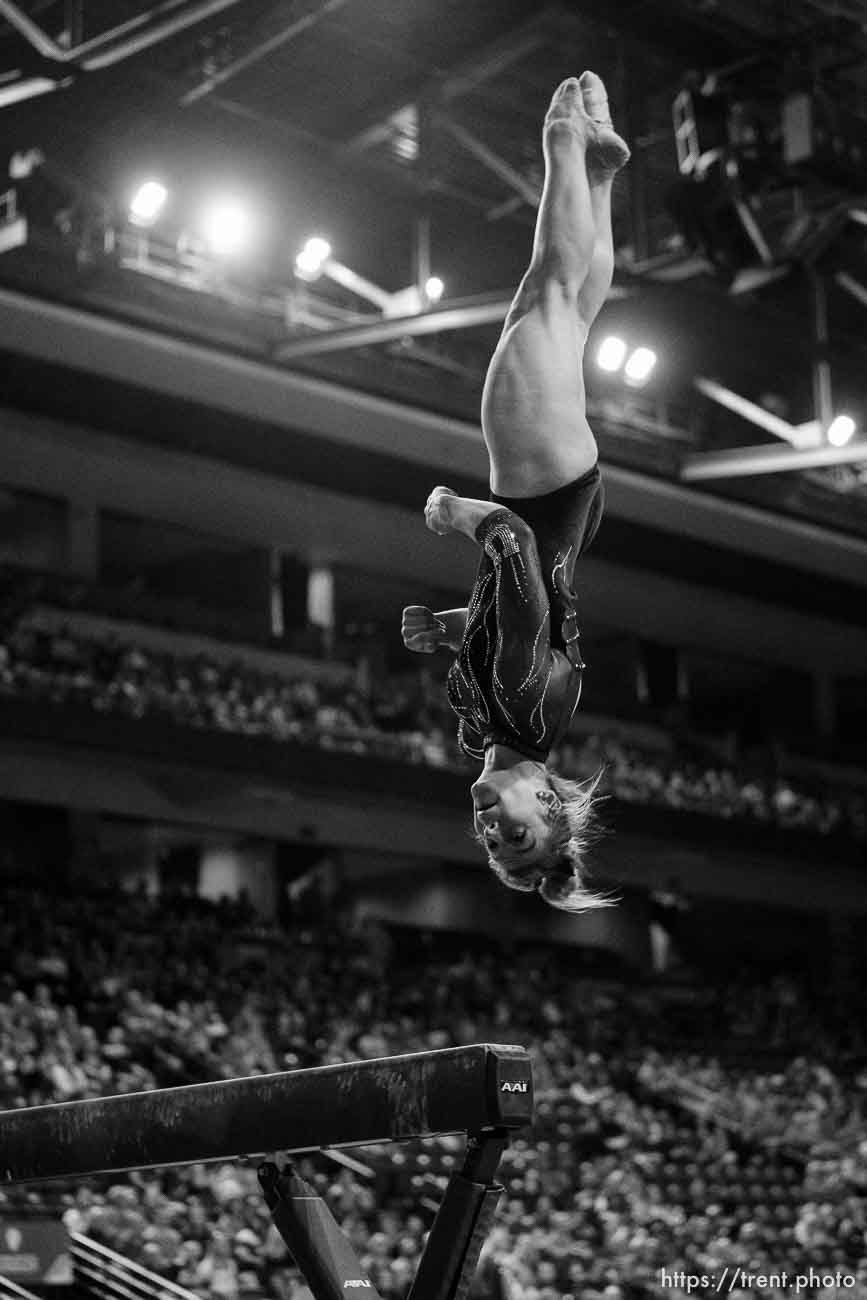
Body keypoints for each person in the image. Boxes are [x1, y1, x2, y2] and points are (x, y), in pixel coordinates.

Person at [401, 73, 629, 910]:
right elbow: (516, 550)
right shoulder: (526, 710)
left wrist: (452, 628)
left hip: (564, 496)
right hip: (535, 495)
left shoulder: (510, 721)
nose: (493, 829)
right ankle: (565, 137)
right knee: (548, 292)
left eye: (491, 843)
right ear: (552, 800)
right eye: (520, 834)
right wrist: (456, 512)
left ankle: (598, 171)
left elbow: (521, 616)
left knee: (566, 315)